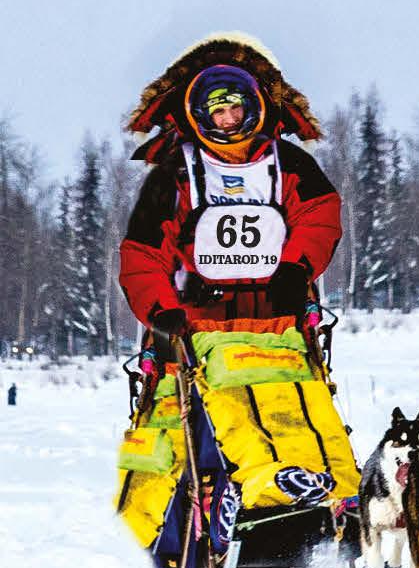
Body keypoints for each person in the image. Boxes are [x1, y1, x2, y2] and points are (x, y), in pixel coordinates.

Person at [118, 36, 343, 348]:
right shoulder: (175, 172)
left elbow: (318, 217)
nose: (230, 119)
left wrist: (296, 267)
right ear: (202, 115)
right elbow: (145, 252)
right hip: (195, 325)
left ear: (251, 105)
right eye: (219, 111)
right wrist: (160, 309)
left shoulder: (289, 163)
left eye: (236, 108)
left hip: (282, 316)